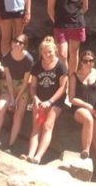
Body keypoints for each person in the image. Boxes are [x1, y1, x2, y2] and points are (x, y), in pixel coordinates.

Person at [46, 0, 88, 102]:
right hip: (61, 24)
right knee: (63, 54)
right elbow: (50, 8)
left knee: (74, 53)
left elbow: (85, 6)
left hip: (77, 24)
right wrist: (57, 21)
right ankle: (63, 81)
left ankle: (72, 81)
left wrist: (76, 18)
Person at [26, 36, 67, 164]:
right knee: (36, 126)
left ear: (55, 50)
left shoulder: (60, 66)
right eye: (44, 52)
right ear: (41, 53)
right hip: (40, 99)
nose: (47, 54)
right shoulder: (37, 66)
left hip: (55, 100)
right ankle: (30, 155)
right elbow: (32, 86)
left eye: (49, 52)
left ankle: (38, 157)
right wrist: (36, 99)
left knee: (48, 126)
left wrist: (49, 102)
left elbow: (62, 88)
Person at [0, 32, 33, 150]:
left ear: (24, 45)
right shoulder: (7, 57)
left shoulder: (28, 59)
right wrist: (12, 99)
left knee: (18, 114)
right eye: (16, 41)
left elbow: (25, 81)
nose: (17, 44)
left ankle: (10, 145)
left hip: (23, 87)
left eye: (21, 43)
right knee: (0, 106)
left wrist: (16, 100)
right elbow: (8, 77)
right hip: (9, 85)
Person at [72, 49, 96, 181]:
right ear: (81, 62)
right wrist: (88, 107)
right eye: (86, 61)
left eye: (91, 60)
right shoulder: (75, 76)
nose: (89, 63)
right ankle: (85, 151)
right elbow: (72, 98)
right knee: (88, 118)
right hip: (80, 108)